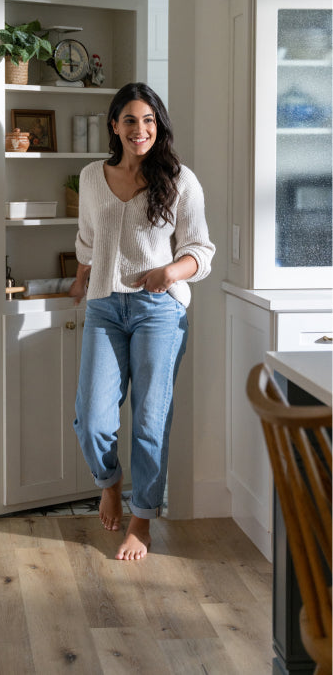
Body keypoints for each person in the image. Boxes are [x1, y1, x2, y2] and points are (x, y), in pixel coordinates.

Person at [69, 82, 215, 561]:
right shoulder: (92, 177)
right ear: (114, 125)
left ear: (159, 126)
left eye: (149, 120)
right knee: (92, 418)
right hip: (104, 308)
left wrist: (168, 272)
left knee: (151, 422)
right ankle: (109, 483)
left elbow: (200, 251)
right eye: (130, 120)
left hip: (159, 312)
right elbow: (88, 241)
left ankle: (142, 519)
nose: (140, 129)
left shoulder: (180, 180)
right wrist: (81, 279)